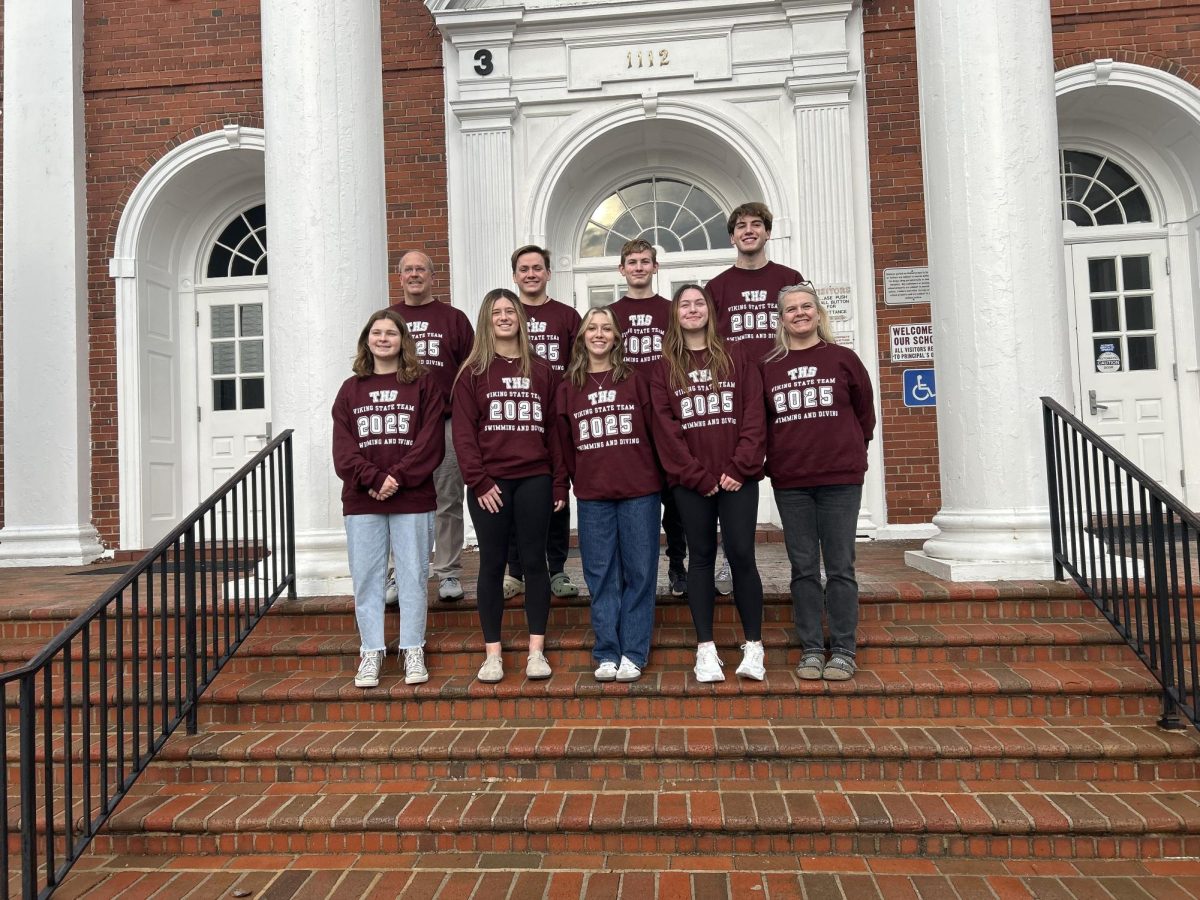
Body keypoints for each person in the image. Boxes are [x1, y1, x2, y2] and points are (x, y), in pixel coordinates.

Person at [650, 284, 767, 683]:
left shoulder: (737, 355)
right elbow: (664, 430)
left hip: (738, 479)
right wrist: (695, 476)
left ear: (711, 311)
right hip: (691, 482)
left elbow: (754, 413)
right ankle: (706, 649)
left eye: (699, 303)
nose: (693, 309)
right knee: (699, 558)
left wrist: (740, 466)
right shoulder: (664, 365)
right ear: (675, 314)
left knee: (741, 555)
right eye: (685, 304)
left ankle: (753, 647)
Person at [761, 285, 875, 681]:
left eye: (806, 306)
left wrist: (849, 453)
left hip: (840, 480)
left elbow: (865, 414)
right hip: (791, 483)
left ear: (818, 312)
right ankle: (811, 647)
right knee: (804, 568)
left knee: (841, 566)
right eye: (791, 309)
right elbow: (762, 422)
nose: (799, 313)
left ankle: (843, 648)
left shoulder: (843, 359)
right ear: (781, 319)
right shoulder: (769, 366)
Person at [453, 288, 567, 683]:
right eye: (496, 312)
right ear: (487, 320)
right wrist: (479, 480)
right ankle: (493, 655)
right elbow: (464, 436)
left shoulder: (543, 370)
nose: (503, 317)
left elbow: (554, 430)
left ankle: (537, 651)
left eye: (510, 311)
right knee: (492, 565)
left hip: (535, 479)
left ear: (521, 318)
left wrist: (558, 483)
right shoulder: (472, 372)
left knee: (535, 563)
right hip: (491, 485)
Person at [332, 309, 446, 689]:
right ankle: (371, 651)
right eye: (377, 333)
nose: (383, 339)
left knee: (413, 576)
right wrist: (374, 479)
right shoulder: (350, 390)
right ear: (367, 339)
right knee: (367, 578)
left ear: (403, 341)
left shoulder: (424, 385)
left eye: (391, 333)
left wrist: (396, 477)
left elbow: (430, 442)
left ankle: (413, 647)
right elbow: (344, 452)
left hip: (412, 498)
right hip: (363, 501)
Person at [706, 202, 805, 595]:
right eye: (741, 226)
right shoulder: (718, 287)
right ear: (732, 236)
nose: (749, 231)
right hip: (735, 394)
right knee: (735, 474)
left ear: (767, 232)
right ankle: (732, 557)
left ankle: (805, 563)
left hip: (784, 386)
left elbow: (804, 322)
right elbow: (708, 341)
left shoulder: (789, 278)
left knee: (793, 469)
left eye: (756, 225)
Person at [556, 306, 659, 682]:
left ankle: (634, 650)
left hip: (640, 491)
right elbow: (564, 442)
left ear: (617, 337)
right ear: (582, 337)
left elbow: (654, 431)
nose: (599, 334)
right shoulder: (569, 386)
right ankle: (606, 651)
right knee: (600, 574)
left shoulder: (635, 380)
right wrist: (571, 480)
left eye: (606, 328)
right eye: (591, 328)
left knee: (639, 572)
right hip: (593, 494)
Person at [388, 250, 474, 603]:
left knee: (448, 500)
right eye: (408, 269)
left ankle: (448, 573)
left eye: (420, 268)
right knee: (399, 500)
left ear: (433, 276)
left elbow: (471, 371)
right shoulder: (389, 319)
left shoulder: (453, 319)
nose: (414, 274)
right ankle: (398, 574)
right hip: (401, 425)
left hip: (446, 422)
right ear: (400, 275)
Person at [608, 238, 688, 598]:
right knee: (634, 496)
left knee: (675, 496)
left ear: (656, 268)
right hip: (626, 414)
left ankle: (677, 565)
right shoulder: (609, 314)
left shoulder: (672, 311)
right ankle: (631, 570)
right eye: (632, 262)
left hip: (668, 413)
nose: (638, 267)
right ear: (622, 269)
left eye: (645, 261)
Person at [505, 245, 583, 601]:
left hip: (557, 416)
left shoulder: (567, 316)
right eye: (524, 269)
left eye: (538, 268)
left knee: (556, 491)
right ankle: (515, 571)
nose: (531, 274)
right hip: (516, 416)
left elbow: (580, 364)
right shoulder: (505, 314)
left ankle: (556, 568)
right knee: (512, 494)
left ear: (548, 273)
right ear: (515, 275)